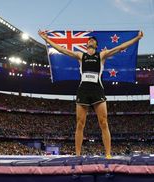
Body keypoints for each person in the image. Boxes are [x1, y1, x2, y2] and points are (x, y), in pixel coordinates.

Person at [38, 30, 143, 158]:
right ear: (87, 44)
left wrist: (137, 38)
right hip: (83, 90)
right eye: (89, 40)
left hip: (97, 89)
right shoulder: (81, 56)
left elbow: (120, 47)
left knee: (103, 122)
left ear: (96, 46)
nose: (91, 41)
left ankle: (108, 154)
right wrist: (46, 40)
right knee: (80, 123)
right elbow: (62, 50)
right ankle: (77, 155)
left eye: (93, 40)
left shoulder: (102, 55)